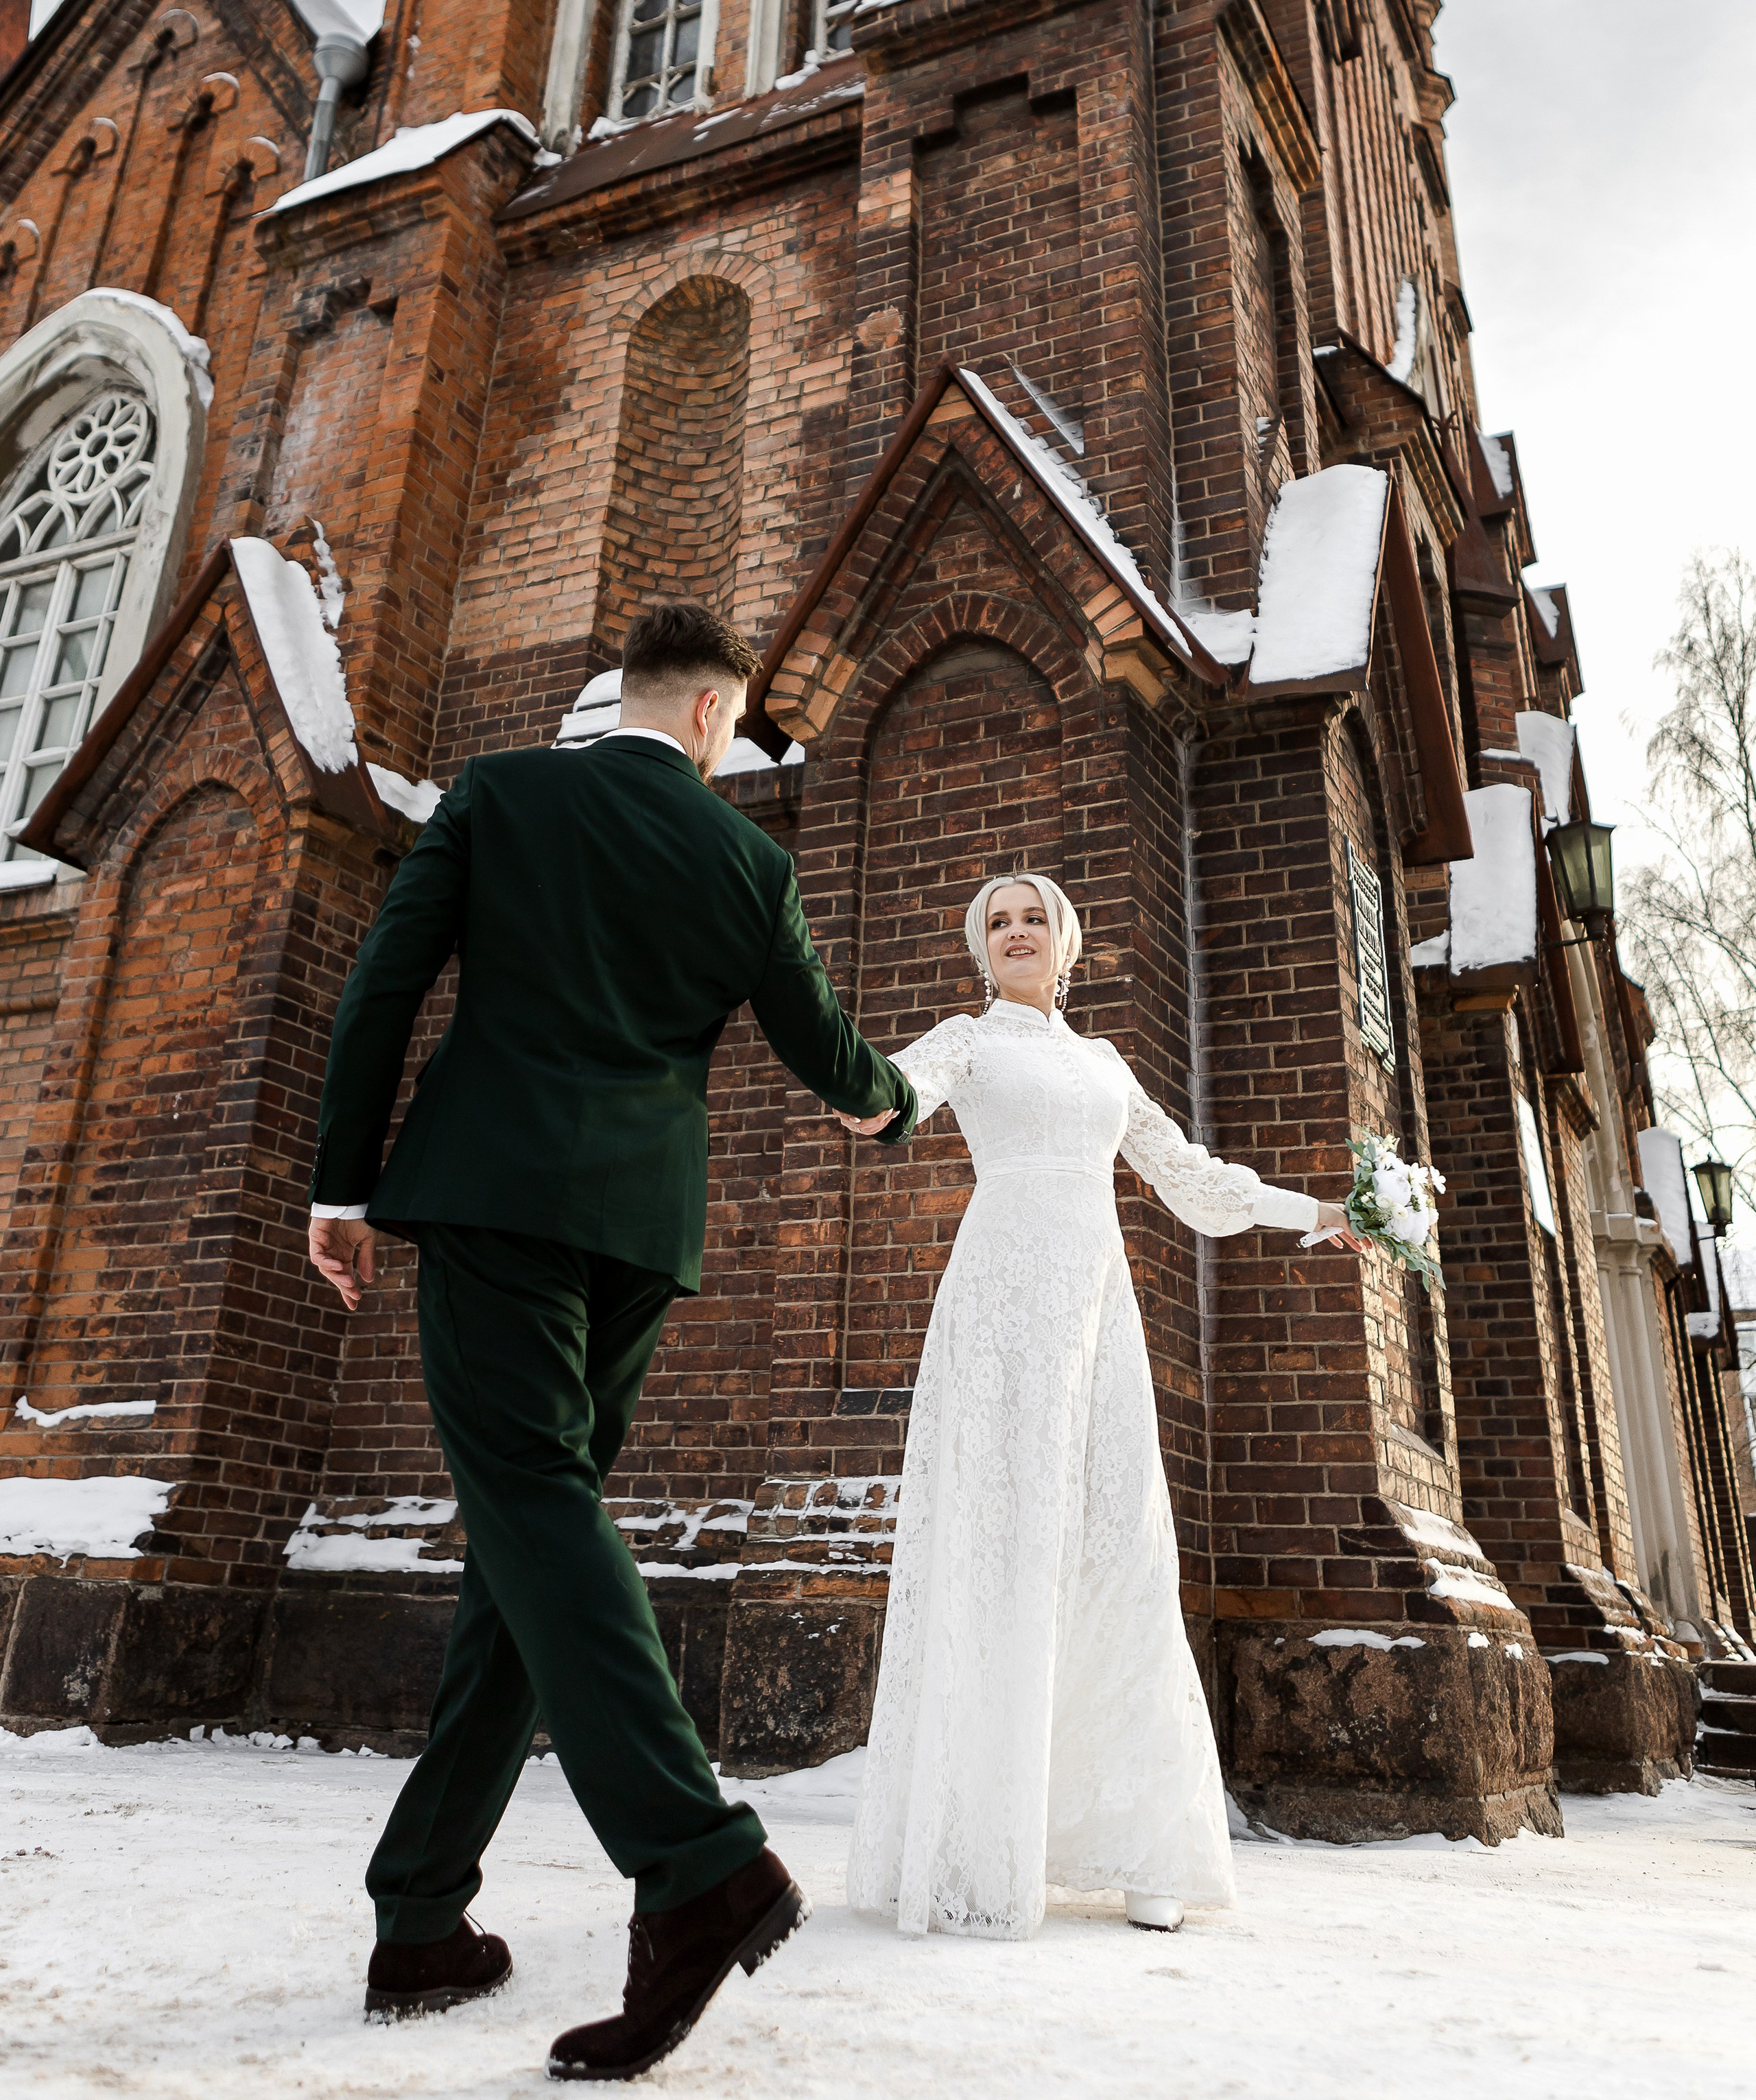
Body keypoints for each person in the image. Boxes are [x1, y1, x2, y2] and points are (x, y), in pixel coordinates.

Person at [305, 599, 917, 2081]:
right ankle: (419, 1914)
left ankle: (699, 1862)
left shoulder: (500, 795)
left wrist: (343, 1186)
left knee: (530, 1513)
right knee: (532, 1546)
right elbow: (827, 1053)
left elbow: (385, 982)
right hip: (638, 1232)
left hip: (491, 1195)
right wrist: (892, 1098)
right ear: (711, 712)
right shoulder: (750, 860)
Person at [840, 872, 1364, 1942]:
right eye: (998, 922)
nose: (1016, 932)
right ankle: (980, 1846)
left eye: (1033, 917)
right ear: (980, 950)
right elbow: (893, 1094)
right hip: (999, 1314)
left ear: (1065, 942)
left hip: (1094, 1318)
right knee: (1001, 1547)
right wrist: (859, 1089)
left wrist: (1318, 1209)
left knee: (1121, 1547)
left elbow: (1192, 1180)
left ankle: (1144, 1848)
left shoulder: (1106, 1064)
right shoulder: (965, 1042)